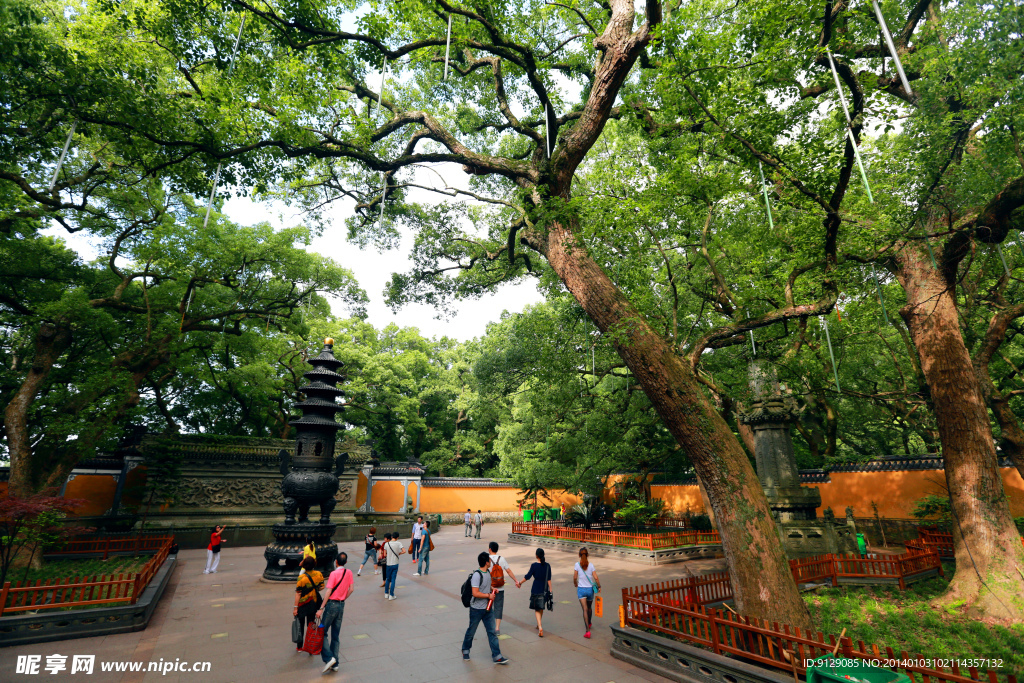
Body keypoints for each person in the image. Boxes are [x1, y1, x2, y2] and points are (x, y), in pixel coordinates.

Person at [461, 552, 509, 665]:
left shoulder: (487, 572)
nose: (490, 562)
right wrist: (488, 595)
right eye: (489, 560)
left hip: (487, 609)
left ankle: (497, 656)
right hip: (476, 609)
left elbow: (487, 585)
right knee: (471, 631)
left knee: (492, 632)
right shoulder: (477, 575)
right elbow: (475, 593)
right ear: (486, 562)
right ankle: (465, 650)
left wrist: (493, 589)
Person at [316, 552, 355, 673]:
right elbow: (351, 589)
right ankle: (335, 663)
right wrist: (343, 598)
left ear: (336, 562)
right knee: (335, 635)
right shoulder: (348, 572)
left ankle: (329, 658)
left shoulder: (333, 574)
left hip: (331, 605)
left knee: (321, 631)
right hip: (341, 605)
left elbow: (328, 591)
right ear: (346, 562)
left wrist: (321, 608)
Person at [486, 541, 520, 635]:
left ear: (490, 549)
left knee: (488, 607)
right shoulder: (502, 559)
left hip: (490, 588)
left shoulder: (487, 559)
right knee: (499, 607)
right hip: (500, 587)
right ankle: (497, 628)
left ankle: (490, 625)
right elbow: (508, 571)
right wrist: (516, 581)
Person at [293, 556, 324, 651]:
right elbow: (322, 587)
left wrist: (295, 608)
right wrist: (314, 589)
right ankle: (310, 644)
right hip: (313, 603)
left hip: (302, 605)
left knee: (300, 625)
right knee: (311, 624)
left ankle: (299, 647)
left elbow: (298, 594)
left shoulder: (301, 578)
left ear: (304, 565)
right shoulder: (318, 574)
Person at [518, 548, 552, 637]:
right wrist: (550, 591)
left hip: (536, 588)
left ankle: (540, 627)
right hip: (545, 590)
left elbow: (528, 576)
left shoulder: (534, 566)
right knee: (541, 607)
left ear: (536, 556)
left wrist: (520, 583)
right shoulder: (548, 566)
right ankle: (538, 624)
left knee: (537, 608)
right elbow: (549, 580)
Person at [573, 547, 601, 638]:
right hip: (590, 590)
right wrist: (599, 586)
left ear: (579, 555)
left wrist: (575, 583)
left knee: (584, 609)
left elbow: (574, 577)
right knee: (589, 607)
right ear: (587, 555)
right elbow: (596, 578)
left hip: (581, 589)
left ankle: (587, 631)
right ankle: (589, 623)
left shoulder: (577, 565)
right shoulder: (591, 565)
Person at [383, 531, 405, 600]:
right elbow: (404, 551)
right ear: (397, 537)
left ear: (392, 537)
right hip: (395, 563)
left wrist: (389, 555)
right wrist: (399, 553)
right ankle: (391, 595)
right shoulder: (399, 543)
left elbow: (384, 554)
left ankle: (386, 593)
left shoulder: (386, 544)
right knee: (393, 580)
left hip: (388, 563)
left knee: (387, 579)